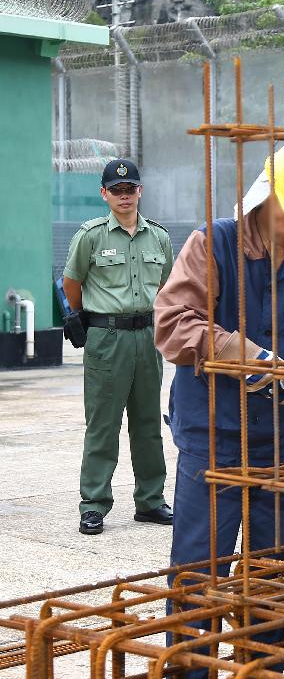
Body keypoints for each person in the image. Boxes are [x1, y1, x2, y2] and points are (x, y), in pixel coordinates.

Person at [154, 142, 284, 677]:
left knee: (275, 571)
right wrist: (250, 356)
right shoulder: (213, 244)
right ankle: (190, 669)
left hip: (279, 441)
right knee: (200, 570)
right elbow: (174, 324)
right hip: (212, 435)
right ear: (266, 197)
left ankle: (263, 669)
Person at [62, 158, 174, 536]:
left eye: (130, 190)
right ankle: (93, 505)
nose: (124, 197)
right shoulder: (91, 235)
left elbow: (168, 287)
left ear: (140, 192)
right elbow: (71, 282)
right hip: (106, 339)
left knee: (147, 424)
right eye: (117, 191)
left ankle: (151, 501)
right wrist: (82, 316)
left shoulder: (158, 237)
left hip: (147, 337)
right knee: (103, 426)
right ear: (104, 194)